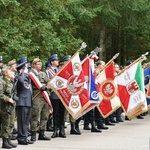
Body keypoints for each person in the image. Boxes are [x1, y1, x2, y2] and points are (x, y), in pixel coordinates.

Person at [30, 58, 51, 141]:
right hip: (36, 96)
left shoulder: (43, 74)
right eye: (38, 64)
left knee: (45, 115)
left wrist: (46, 87)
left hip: (45, 96)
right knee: (35, 115)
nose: (40, 65)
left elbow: (49, 82)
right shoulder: (31, 74)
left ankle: (42, 133)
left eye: (41, 64)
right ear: (34, 65)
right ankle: (33, 133)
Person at [15, 57, 34, 145]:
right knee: (21, 121)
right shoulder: (18, 76)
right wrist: (23, 73)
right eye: (25, 68)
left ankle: (25, 136)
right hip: (22, 102)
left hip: (28, 102)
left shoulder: (26, 77)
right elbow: (20, 81)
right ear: (21, 69)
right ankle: (21, 138)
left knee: (26, 122)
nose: (27, 70)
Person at [48, 54, 66, 138]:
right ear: (52, 62)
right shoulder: (48, 71)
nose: (57, 61)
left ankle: (62, 129)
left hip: (62, 94)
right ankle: (55, 130)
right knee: (55, 113)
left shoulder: (60, 70)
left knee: (62, 112)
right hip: (54, 94)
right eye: (56, 60)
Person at [0, 65, 17, 148]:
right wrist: (8, 99)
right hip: (5, 106)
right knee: (6, 124)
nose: (12, 73)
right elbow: (0, 94)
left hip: (11, 105)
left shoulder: (11, 81)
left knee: (11, 123)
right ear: (5, 73)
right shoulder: (2, 82)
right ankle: (4, 142)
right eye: (10, 72)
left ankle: (9, 140)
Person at [8, 59, 18, 139]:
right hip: (9, 99)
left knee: (13, 117)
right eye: (15, 65)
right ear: (11, 67)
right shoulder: (9, 75)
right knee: (9, 117)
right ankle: (8, 134)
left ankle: (10, 133)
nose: (16, 67)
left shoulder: (16, 74)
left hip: (14, 98)